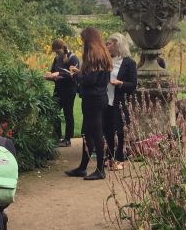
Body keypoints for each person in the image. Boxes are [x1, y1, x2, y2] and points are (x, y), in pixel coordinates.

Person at [65, 27, 110, 181]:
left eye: (83, 39)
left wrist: (76, 75)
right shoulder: (103, 54)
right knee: (88, 133)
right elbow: (95, 77)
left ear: (88, 40)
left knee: (96, 134)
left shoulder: (92, 55)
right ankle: (83, 167)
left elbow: (89, 80)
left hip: (93, 99)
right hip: (99, 97)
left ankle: (100, 169)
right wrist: (80, 73)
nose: (82, 42)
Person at [103, 33, 137, 171]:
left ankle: (120, 159)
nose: (107, 46)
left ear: (117, 44)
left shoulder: (129, 63)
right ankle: (110, 157)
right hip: (106, 101)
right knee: (108, 130)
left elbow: (133, 85)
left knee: (120, 131)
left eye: (109, 43)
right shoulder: (107, 61)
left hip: (120, 101)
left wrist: (120, 83)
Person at [43, 39, 79, 147]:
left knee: (68, 113)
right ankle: (57, 136)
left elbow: (73, 74)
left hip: (69, 89)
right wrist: (50, 76)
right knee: (54, 112)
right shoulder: (57, 58)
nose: (57, 54)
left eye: (57, 52)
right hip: (58, 89)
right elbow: (53, 71)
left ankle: (68, 138)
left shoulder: (73, 58)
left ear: (62, 49)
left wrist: (59, 74)